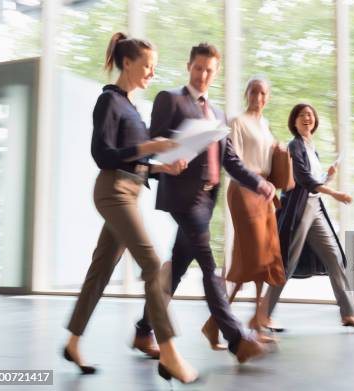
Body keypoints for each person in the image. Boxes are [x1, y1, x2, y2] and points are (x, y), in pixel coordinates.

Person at [63, 32, 197, 384]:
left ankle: (73, 342)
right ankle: (168, 353)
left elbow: (134, 160)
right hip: (113, 193)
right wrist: (149, 146)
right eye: (147, 65)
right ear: (127, 62)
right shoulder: (108, 102)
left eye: (154, 67)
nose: (152, 73)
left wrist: (160, 166)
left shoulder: (132, 108)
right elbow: (103, 156)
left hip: (131, 190)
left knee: (100, 271)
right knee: (154, 266)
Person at [132, 43, 276, 363]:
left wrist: (259, 183)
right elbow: (151, 145)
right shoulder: (170, 99)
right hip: (183, 197)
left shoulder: (218, 113)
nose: (203, 74)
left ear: (217, 71)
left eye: (209, 69)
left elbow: (232, 161)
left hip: (207, 198)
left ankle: (143, 329)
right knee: (210, 266)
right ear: (189, 67)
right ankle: (236, 338)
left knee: (177, 268)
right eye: (198, 68)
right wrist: (167, 161)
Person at [260, 103, 354, 331]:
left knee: (334, 257)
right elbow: (305, 181)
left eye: (310, 115)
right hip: (299, 210)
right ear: (294, 121)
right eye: (302, 115)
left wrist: (328, 178)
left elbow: (315, 181)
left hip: (315, 208)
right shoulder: (294, 146)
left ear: (315, 121)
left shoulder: (311, 147)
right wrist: (336, 193)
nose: (306, 118)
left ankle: (348, 313)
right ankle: (264, 315)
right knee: (287, 263)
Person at [202, 77, 285, 340]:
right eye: (253, 92)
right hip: (244, 189)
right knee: (251, 256)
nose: (258, 97)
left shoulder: (265, 125)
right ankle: (218, 319)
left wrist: (278, 152)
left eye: (263, 93)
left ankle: (256, 319)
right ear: (246, 93)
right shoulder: (237, 121)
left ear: (267, 97)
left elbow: (266, 159)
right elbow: (234, 160)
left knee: (266, 255)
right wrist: (257, 182)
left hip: (264, 191)